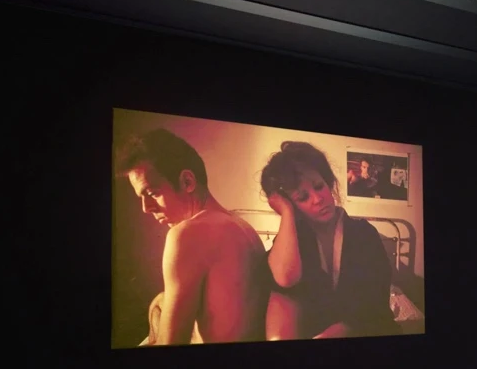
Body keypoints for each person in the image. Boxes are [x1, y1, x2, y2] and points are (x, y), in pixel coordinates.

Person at [118, 129, 270, 345]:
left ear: (187, 181)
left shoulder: (186, 234)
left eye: (152, 193)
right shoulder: (243, 227)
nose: (146, 208)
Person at [260, 142, 397, 340]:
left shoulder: (364, 234)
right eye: (302, 197)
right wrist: (287, 214)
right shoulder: (293, 241)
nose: (317, 199)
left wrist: (344, 329)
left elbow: (375, 301)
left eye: (319, 186)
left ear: (328, 183)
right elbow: (284, 279)